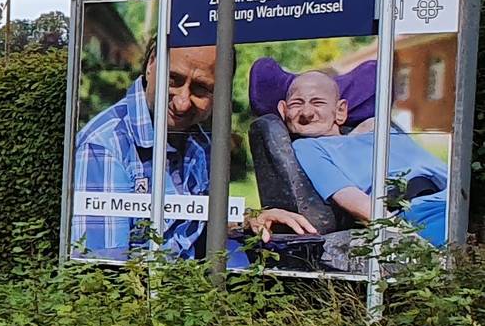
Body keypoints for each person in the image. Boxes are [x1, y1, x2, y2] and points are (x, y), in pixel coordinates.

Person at [72, 43, 311, 260]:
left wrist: (248, 220)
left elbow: (196, 219)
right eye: (173, 80)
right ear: (151, 63)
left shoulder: (198, 141)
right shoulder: (105, 146)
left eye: (201, 89)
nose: (182, 103)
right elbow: (101, 269)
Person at [276, 69, 450, 246]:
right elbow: (349, 198)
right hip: (421, 212)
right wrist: (408, 238)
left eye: (318, 102)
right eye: (296, 103)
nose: (306, 112)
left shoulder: (376, 128)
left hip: (453, 201)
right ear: (283, 110)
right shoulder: (308, 147)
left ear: (340, 111)